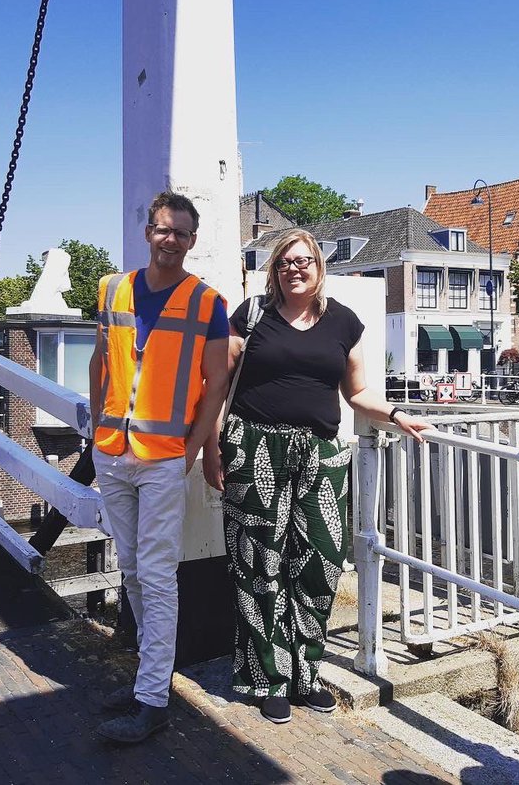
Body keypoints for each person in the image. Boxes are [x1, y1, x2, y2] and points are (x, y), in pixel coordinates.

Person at [205, 229, 433, 725]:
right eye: (285, 262)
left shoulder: (343, 322)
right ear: (274, 270)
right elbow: (216, 386)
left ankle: (306, 673)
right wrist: (210, 448)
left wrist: (396, 414)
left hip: (322, 453)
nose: (295, 269)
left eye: (303, 260)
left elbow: (358, 393)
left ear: (319, 267)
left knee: (322, 561)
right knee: (258, 564)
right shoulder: (251, 315)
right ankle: (267, 678)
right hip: (254, 446)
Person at [91, 191, 231, 745]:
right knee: (130, 566)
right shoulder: (111, 289)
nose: (170, 239)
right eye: (162, 229)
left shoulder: (206, 302)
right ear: (147, 232)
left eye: (181, 232)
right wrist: (96, 430)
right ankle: (150, 680)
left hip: (164, 460)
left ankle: (152, 698)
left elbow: (215, 384)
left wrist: (195, 450)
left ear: (192, 241)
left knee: (156, 573)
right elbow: (103, 361)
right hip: (112, 450)